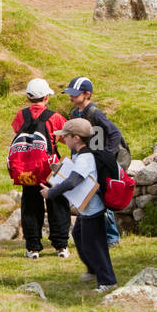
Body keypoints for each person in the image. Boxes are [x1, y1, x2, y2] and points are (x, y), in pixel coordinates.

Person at [41, 118, 115, 292]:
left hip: (93, 208)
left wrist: (51, 193)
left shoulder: (86, 157)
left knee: (94, 245)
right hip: (86, 208)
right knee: (79, 234)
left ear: (76, 138)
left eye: (65, 136)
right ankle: (93, 270)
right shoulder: (80, 155)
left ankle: (107, 280)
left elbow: (74, 181)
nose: (63, 140)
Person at [63, 76, 126, 246]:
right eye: (70, 94)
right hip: (82, 159)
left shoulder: (94, 113)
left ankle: (112, 237)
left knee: (99, 197)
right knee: (87, 198)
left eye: (75, 94)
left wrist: (108, 154)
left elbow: (114, 133)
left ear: (87, 94)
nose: (71, 97)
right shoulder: (75, 113)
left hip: (97, 162)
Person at [11, 78, 69, 259]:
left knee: (30, 205)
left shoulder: (21, 115)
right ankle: (61, 247)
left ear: (28, 97)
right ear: (46, 96)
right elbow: (64, 139)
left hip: (27, 170)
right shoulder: (55, 117)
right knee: (57, 204)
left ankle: (33, 248)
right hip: (49, 169)